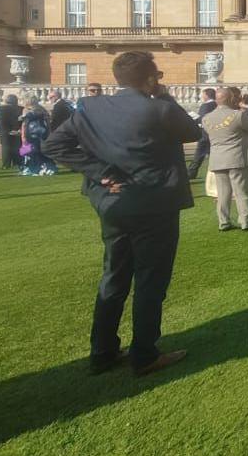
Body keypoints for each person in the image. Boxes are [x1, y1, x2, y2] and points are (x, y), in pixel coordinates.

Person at [43, 50, 200, 377]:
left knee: (114, 276)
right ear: (150, 78)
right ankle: (144, 355)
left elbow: (54, 146)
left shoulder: (91, 108)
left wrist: (101, 173)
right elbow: (193, 132)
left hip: (113, 204)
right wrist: (164, 95)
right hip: (154, 204)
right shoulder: (158, 108)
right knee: (150, 281)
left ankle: (102, 352)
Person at [202, 87, 248, 231]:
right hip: (236, 157)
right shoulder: (237, 115)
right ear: (229, 99)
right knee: (241, 192)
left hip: (217, 158)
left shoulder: (206, 118)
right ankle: (245, 221)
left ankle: (224, 221)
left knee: (222, 194)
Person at [19, 97, 57, 176]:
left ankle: (32, 168)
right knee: (42, 150)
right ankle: (48, 167)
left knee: (30, 151)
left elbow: (25, 124)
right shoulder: (42, 109)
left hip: (31, 132)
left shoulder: (26, 110)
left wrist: (23, 136)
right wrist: (49, 132)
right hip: (42, 132)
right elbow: (48, 122)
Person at [186, 88, 219, 178]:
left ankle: (191, 173)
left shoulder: (205, 106)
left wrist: (194, 118)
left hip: (205, 134)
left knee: (198, 155)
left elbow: (202, 119)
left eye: (203, 94)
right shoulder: (216, 104)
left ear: (207, 95)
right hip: (214, 133)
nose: (202, 96)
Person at [0, 94, 23, 169]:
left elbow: (1, 121)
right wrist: (17, 130)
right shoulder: (20, 108)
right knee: (16, 147)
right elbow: (20, 121)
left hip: (5, 131)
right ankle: (17, 163)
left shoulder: (0, 109)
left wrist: (7, 130)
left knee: (6, 148)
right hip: (16, 130)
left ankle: (6, 164)